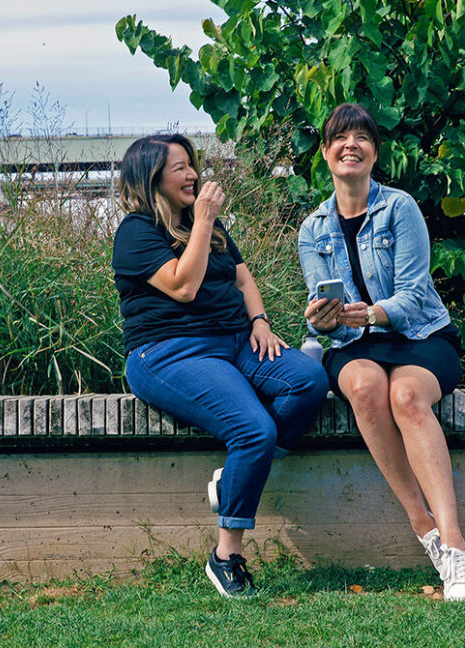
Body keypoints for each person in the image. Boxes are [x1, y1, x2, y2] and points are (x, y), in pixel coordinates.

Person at [112, 133, 329, 598]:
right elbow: (183, 286)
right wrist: (206, 219)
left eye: (192, 164)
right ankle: (225, 556)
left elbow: (241, 276)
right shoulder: (136, 231)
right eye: (180, 168)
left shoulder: (205, 221)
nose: (193, 174)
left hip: (235, 340)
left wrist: (260, 320)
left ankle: (237, 474)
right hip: (169, 352)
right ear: (152, 178)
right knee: (253, 430)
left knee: (309, 379)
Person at [298, 103, 465, 602]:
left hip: (419, 336)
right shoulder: (312, 230)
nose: (350, 144)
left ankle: (457, 550)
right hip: (355, 343)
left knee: (405, 398)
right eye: (339, 138)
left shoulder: (399, 208)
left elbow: (416, 294)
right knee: (362, 386)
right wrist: (322, 318)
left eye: (361, 137)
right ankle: (426, 532)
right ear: (325, 153)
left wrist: (374, 313)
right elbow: (323, 305)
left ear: (375, 153)